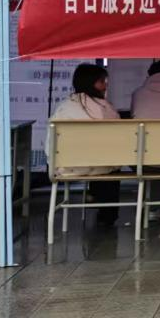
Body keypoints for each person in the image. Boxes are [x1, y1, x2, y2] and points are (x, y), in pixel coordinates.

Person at [50, 63, 122, 227]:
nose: (105, 86)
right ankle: (107, 215)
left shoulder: (63, 108)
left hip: (67, 167)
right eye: (102, 81)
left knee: (98, 159)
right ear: (91, 83)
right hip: (100, 167)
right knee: (108, 164)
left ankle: (94, 195)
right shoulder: (106, 110)